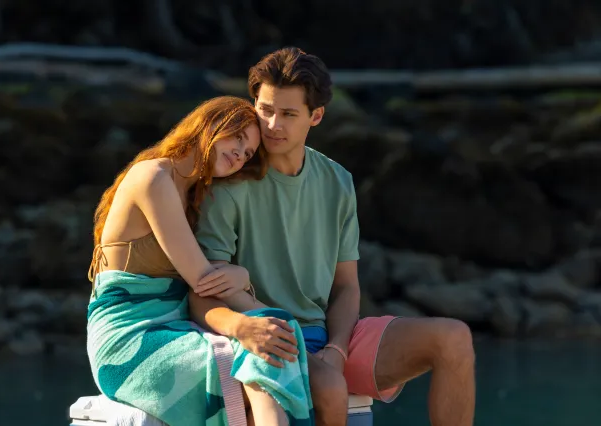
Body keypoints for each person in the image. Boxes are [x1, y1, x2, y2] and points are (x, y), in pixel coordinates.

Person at [193, 48, 476, 426]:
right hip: (272, 339)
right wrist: (248, 330)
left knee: (453, 337)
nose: (273, 125)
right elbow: (205, 293)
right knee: (328, 385)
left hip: (331, 338)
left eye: (289, 114)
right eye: (265, 110)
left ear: (316, 116)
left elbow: (346, 286)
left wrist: (337, 350)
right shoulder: (230, 183)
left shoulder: (337, 180)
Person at [86, 95, 315, 426]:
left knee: (272, 343)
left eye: (248, 153)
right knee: (261, 350)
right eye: (237, 138)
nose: (240, 154)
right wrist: (243, 279)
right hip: (130, 340)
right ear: (209, 124)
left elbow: (212, 282)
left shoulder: (193, 197)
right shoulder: (153, 177)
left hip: (179, 330)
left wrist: (274, 320)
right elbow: (204, 281)